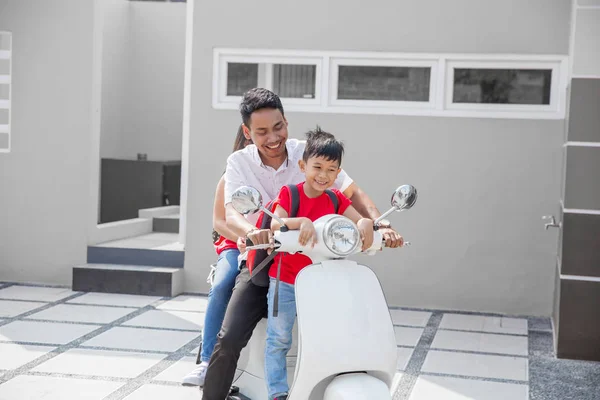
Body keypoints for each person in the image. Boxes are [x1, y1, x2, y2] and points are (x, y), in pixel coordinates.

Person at [201, 88, 404, 400]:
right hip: (267, 264)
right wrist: (255, 233)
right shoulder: (239, 162)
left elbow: (352, 193)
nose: (273, 138)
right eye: (262, 131)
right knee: (229, 339)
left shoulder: (307, 154)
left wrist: (379, 224)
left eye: (278, 127)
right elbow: (231, 213)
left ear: (286, 121)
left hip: (318, 265)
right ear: (247, 132)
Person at [264, 127, 374, 400]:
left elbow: (356, 217)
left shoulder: (336, 198)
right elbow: (275, 223)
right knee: (279, 339)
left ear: (338, 174)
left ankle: (322, 387)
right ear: (303, 166)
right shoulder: (291, 194)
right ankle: (277, 393)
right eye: (318, 167)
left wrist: (365, 221)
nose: (324, 175)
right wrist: (300, 221)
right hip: (287, 280)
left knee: (329, 338)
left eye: (332, 169)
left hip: (323, 282)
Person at [181, 126, 252, 387]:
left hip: (267, 245)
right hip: (235, 246)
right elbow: (219, 222)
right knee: (224, 283)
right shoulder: (229, 177)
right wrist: (243, 237)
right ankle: (206, 361)